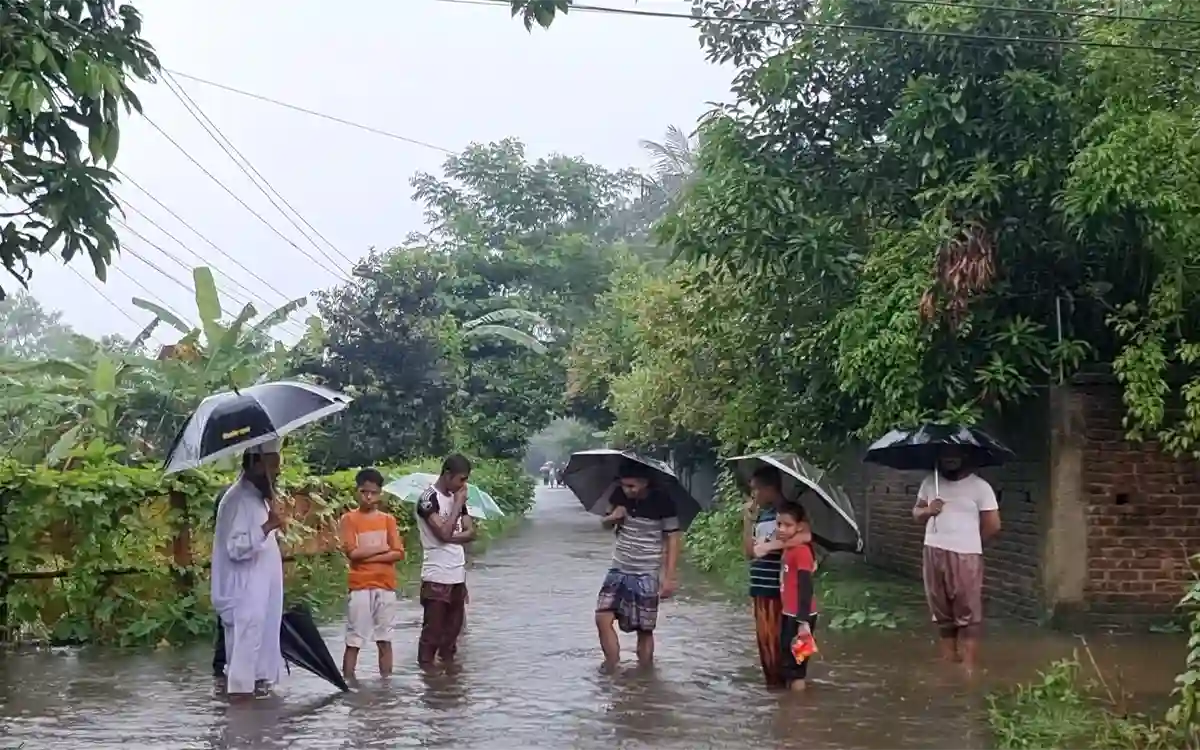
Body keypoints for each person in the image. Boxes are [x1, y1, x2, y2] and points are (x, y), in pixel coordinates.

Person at [912, 446, 1002, 673]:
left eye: (954, 455)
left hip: (966, 553)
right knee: (940, 609)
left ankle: (969, 668)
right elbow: (916, 513)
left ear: (965, 457)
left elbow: (993, 524)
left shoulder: (980, 487)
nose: (949, 459)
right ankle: (949, 661)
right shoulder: (929, 482)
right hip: (932, 549)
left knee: (967, 609)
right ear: (938, 457)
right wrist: (927, 511)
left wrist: (970, 542)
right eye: (944, 455)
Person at [211, 441, 286, 701]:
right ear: (256, 464)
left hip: (258, 599)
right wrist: (266, 528)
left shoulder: (256, 498)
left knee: (258, 666)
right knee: (243, 667)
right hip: (243, 598)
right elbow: (236, 547)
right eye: (273, 466)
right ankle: (241, 728)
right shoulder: (237, 499)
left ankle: (257, 730)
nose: (277, 473)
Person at [596, 462, 682, 669]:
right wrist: (613, 517)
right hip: (619, 567)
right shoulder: (618, 496)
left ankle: (645, 674)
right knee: (602, 617)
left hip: (646, 572)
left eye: (632, 486)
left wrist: (669, 578)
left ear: (645, 483)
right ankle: (612, 667)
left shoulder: (663, 501)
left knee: (644, 628)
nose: (627, 490)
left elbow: (673, 539)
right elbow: (605, 524)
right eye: (624, 485)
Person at [743, 465, 812, 688]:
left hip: (781, 588)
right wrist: (747, 522)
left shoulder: (788, 514)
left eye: (756, 490)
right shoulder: (761, 514)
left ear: (770, 488)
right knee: (766, 643)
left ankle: (788, 691)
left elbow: (806, 536)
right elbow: (749, 553)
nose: (753, 495)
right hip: (760, 585)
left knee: (784, 644)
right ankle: (777, 692)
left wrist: (771, 546)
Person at [339, 467, 405, 679]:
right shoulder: (349, 519)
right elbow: (353, 553)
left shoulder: (388, 520)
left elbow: (398, 553)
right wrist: (381, 549)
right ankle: (348, 683)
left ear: (380, 493)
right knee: (354, 640)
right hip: (359, 586)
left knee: (385, 639)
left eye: (373, 492)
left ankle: (386, 685)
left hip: (385, 585)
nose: (368, 496)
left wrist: (368, 555)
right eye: (364, 492)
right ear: (357, 492)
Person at [415, 453, 475, 671]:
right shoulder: (427, 499)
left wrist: (448, 536)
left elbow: (470, 532)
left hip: (457, 574)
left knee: (452, 635)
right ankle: (429, 683)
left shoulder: (458, 499)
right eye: (461, 479)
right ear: (447, 475)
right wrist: (457, 505)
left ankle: (449, 684)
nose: (463, 485)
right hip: (436, 575)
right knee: (432, 633)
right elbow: (443, 533)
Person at [777, 501, 819, 692]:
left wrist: (803, 621)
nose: (782, 529)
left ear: (800, 527)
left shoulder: (801, 551)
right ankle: (791, 708)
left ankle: (798, 710)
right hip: (789, 613)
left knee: (797, 666)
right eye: (779, 524)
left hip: (801, 615)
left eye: (787, 525)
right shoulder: (790, 548)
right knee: (788, 659)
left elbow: (805, 586)